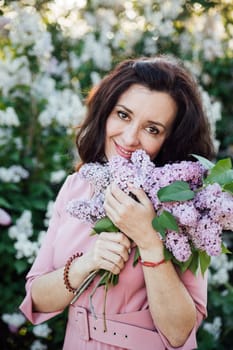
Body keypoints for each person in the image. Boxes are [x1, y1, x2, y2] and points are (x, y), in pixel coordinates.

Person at [20, 55, 215, 350]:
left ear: (170, 139)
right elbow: (36, 297)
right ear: (106, 112)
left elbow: (180, 333)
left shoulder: (185, 206)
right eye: (123, 115)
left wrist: (149, 240)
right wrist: (88, 262)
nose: (129, 137)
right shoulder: (76, 187)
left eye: (152, 129)